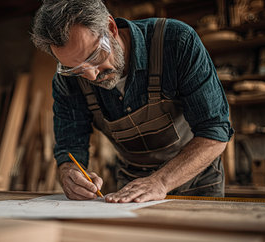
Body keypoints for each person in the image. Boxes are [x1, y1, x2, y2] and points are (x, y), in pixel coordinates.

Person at [31, 0, 234, 203]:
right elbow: (69, 147)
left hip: (197, 180)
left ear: (111, 28)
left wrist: (161, 181)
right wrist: (69, 172)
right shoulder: (67, 81)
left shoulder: (176, 41)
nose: (92, 76)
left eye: (94, 56)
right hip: (133, 185)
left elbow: (215, 131)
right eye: (76, 70)